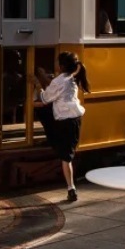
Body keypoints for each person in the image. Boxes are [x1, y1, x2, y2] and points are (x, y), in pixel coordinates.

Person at [34, 52, 90, 203]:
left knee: (66, 158)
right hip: (76, 119)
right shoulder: (72, 77)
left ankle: (71, 188)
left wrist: (38, 85)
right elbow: (55, 89)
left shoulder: (59, 81)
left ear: (61, 66)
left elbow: (45, 98)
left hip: (64, 121)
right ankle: (70, 185)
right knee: (68, 154)